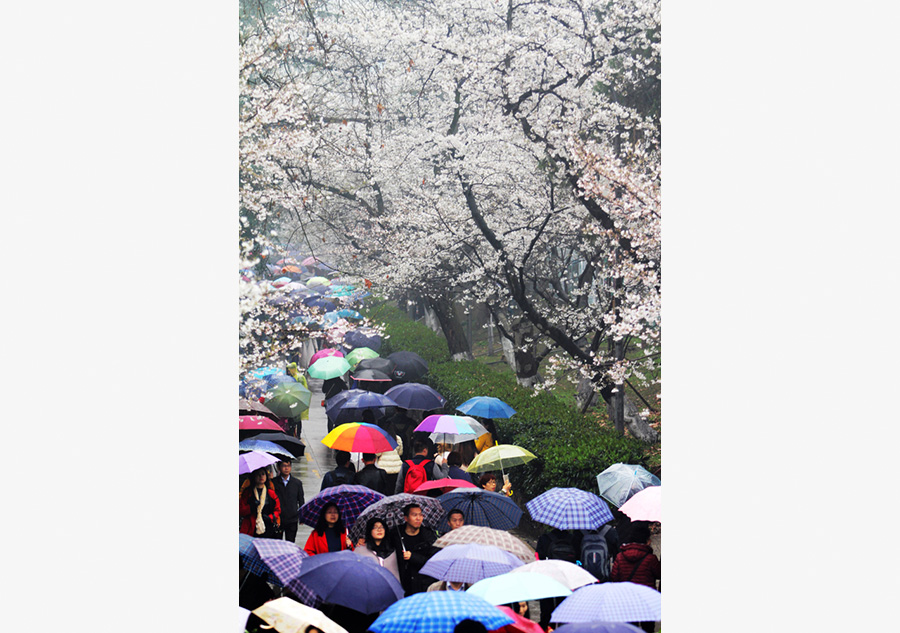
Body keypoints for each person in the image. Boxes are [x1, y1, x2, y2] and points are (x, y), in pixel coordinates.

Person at [610, 524, 660, 633]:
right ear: (647, 540)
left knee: (630, 629)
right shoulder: (651, 559)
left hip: (627, 599)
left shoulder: (620, 556)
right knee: (648, 628)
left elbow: (614, 576)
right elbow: (659, 574)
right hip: (647, 600)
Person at [391, 502, 438, 595]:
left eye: (420, 515)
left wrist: (413, 557)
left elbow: (434, 561)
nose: (418, 518)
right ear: (406, 518)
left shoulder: (428, 536)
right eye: (414, 515)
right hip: (403, 585)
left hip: (423, 585)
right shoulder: (396, 534)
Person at [354, 516, 401, 582]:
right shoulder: (361, 550)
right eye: (375, 527)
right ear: (369, 530)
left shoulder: (393, 549)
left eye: (382, 527)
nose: (379, 530)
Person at [239, 467, 282, 537]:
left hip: (268, 527)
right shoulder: (248, 493)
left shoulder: (271, 493)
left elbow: (277, 510)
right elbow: (241, 510)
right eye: (258, 474)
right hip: (251, 527)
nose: (261, 476)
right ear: (254, 477)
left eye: (263, 474)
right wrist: (251, 507)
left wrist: (270, 517)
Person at [272, 460, 305, 544]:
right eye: (284, 466)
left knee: (290, 544)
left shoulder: (297, 483)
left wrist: (302, 516)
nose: (286, 468)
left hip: (292, 519)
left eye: (288, 466)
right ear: (279, 467)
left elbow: (301, 500)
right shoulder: (273, 483)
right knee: (277, 544)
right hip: (278, 519)